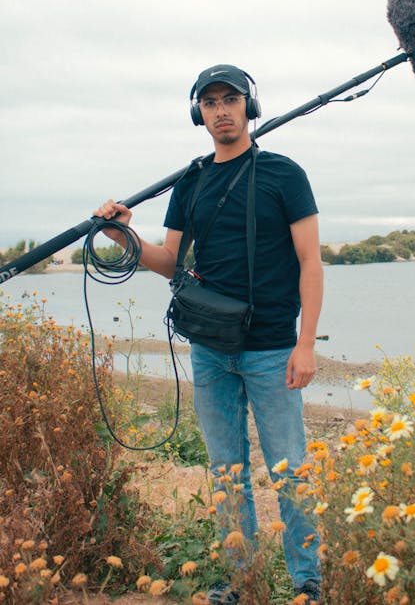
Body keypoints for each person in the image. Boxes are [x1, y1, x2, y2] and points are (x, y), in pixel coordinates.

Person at [94, 64, 323, 604]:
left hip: (272, 348)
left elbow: (310, 262)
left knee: (289, 470)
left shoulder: (284, 174)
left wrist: (305, 342)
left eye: (231, 99)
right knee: (226, 472)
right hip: (210, 350)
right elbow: (170, 261)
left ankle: (306, 581)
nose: (221, 109)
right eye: (210, 101)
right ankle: (241, 581)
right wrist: (121, 233)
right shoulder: (191, 182)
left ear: (249, 106)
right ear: (198, 112)